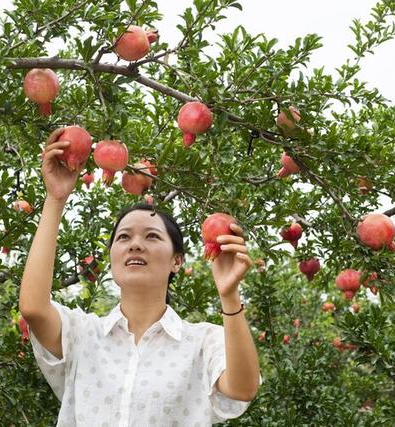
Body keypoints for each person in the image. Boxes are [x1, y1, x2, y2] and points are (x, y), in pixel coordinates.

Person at [19, 129, 261, 426]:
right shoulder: (83, 335)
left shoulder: (202, 342)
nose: (135, 244)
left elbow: (243, 388)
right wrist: (55, 199)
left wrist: (229, 295)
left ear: (177, 261)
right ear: (111, 256)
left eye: (151, 236)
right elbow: (32, 308)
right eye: (123, 237)